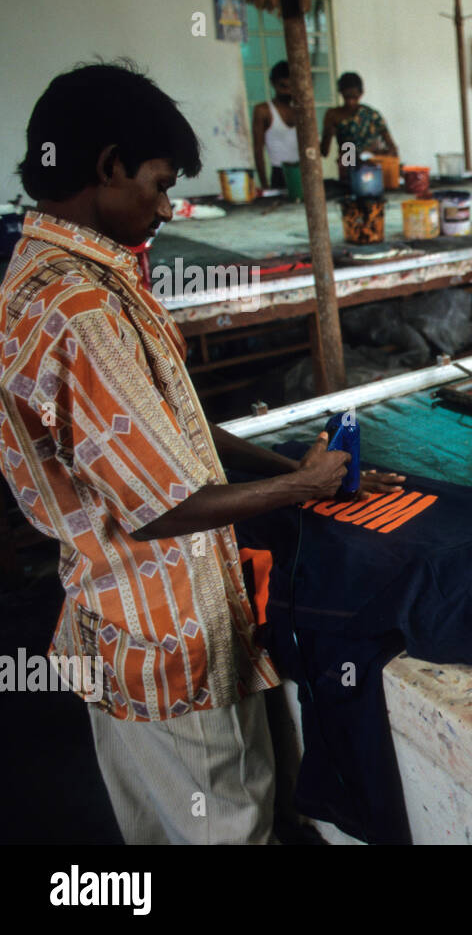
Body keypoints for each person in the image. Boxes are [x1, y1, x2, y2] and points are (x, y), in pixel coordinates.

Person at [2, 61, 405, 844]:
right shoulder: (83, 308)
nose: (166, 205)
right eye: (157, 183)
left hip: (109, 623)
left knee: (154, 826)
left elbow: (165, 428)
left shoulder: (38, 270)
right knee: (230, 826)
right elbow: (161, 508)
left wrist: (295, 470)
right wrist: (307, 487)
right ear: (110, 165)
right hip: (167, 637)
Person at [322, 71, 399, 178]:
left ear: (361, 93)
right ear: (341, 93)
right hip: (347, 167)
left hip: (371, 170)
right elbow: (324, 152)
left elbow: (393, 149)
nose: (350, 102)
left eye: (354, 97)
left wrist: (376, 155)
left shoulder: (372, 115)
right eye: (347, 97)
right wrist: (328, 132)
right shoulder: (333, 115)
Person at [252, 60, 299, 190]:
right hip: (279, 173)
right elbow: (258, 150)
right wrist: (264, 184)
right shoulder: (263, 110)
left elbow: (320, 149)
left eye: (292, 87)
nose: (288, 91)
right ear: (273, 83)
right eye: (283, 86)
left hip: (302, 170)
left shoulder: (301, 110)